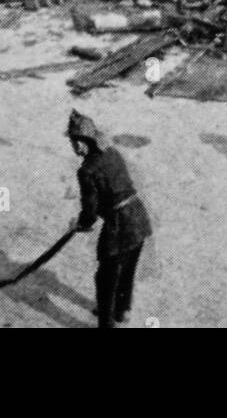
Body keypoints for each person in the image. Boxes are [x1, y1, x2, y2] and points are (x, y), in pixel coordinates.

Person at [66, 109, 152, 329]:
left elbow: (90, 212)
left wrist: (81, 224)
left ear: (90, 139)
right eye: (74, 141)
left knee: (106, 279)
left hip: (119, 225)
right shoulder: (112, 152)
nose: (77, 146)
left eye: (81, 140)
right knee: (128, 270)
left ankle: (106, 324)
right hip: (139, 216)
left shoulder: (86, 171)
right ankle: (121, 311)